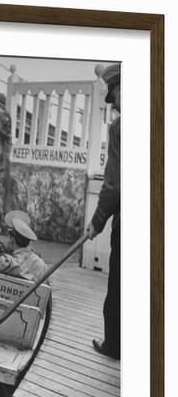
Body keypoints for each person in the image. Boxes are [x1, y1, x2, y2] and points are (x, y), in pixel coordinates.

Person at [88, 64, 121, 360]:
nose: (114, 106)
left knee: (120, 286)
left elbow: (113, 185)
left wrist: (96, 223)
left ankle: (115, 345)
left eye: (114, 97)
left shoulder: (121, 128)